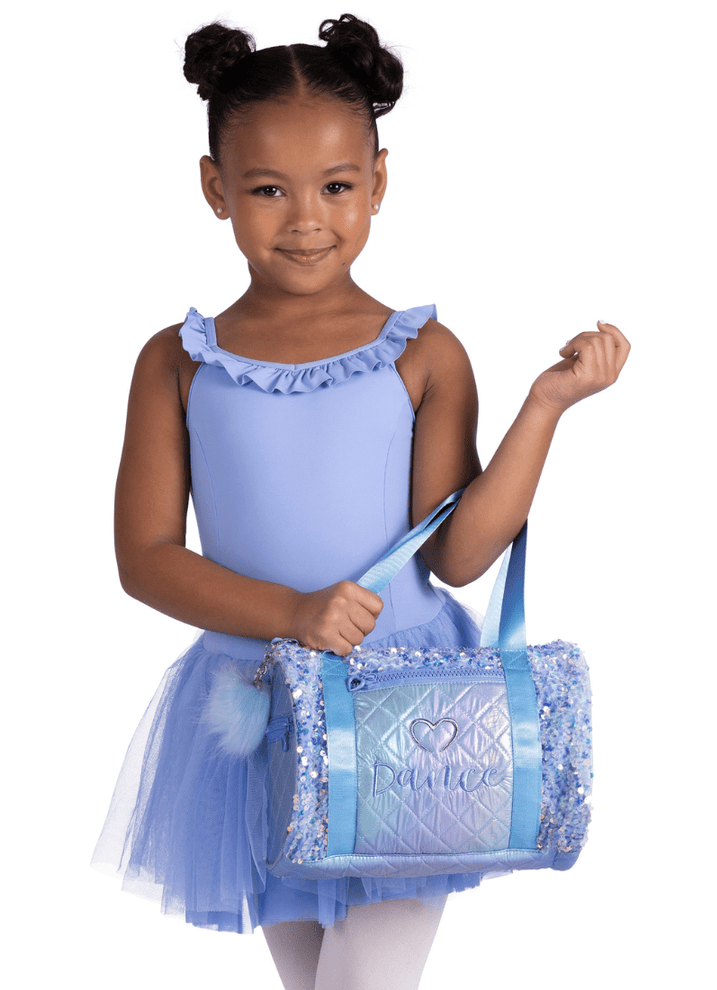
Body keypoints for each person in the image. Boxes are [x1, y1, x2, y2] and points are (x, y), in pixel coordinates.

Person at [90, 13, 630, 990]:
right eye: (267, 189)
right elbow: (147, 558)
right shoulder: (174, 364)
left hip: (408, 709)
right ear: (216, 189)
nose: (307, 218)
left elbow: (458, 555)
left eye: (337, 186)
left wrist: (545, 407)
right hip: (258, 712)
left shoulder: (424, 353)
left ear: (378, 182)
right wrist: (293, 615)